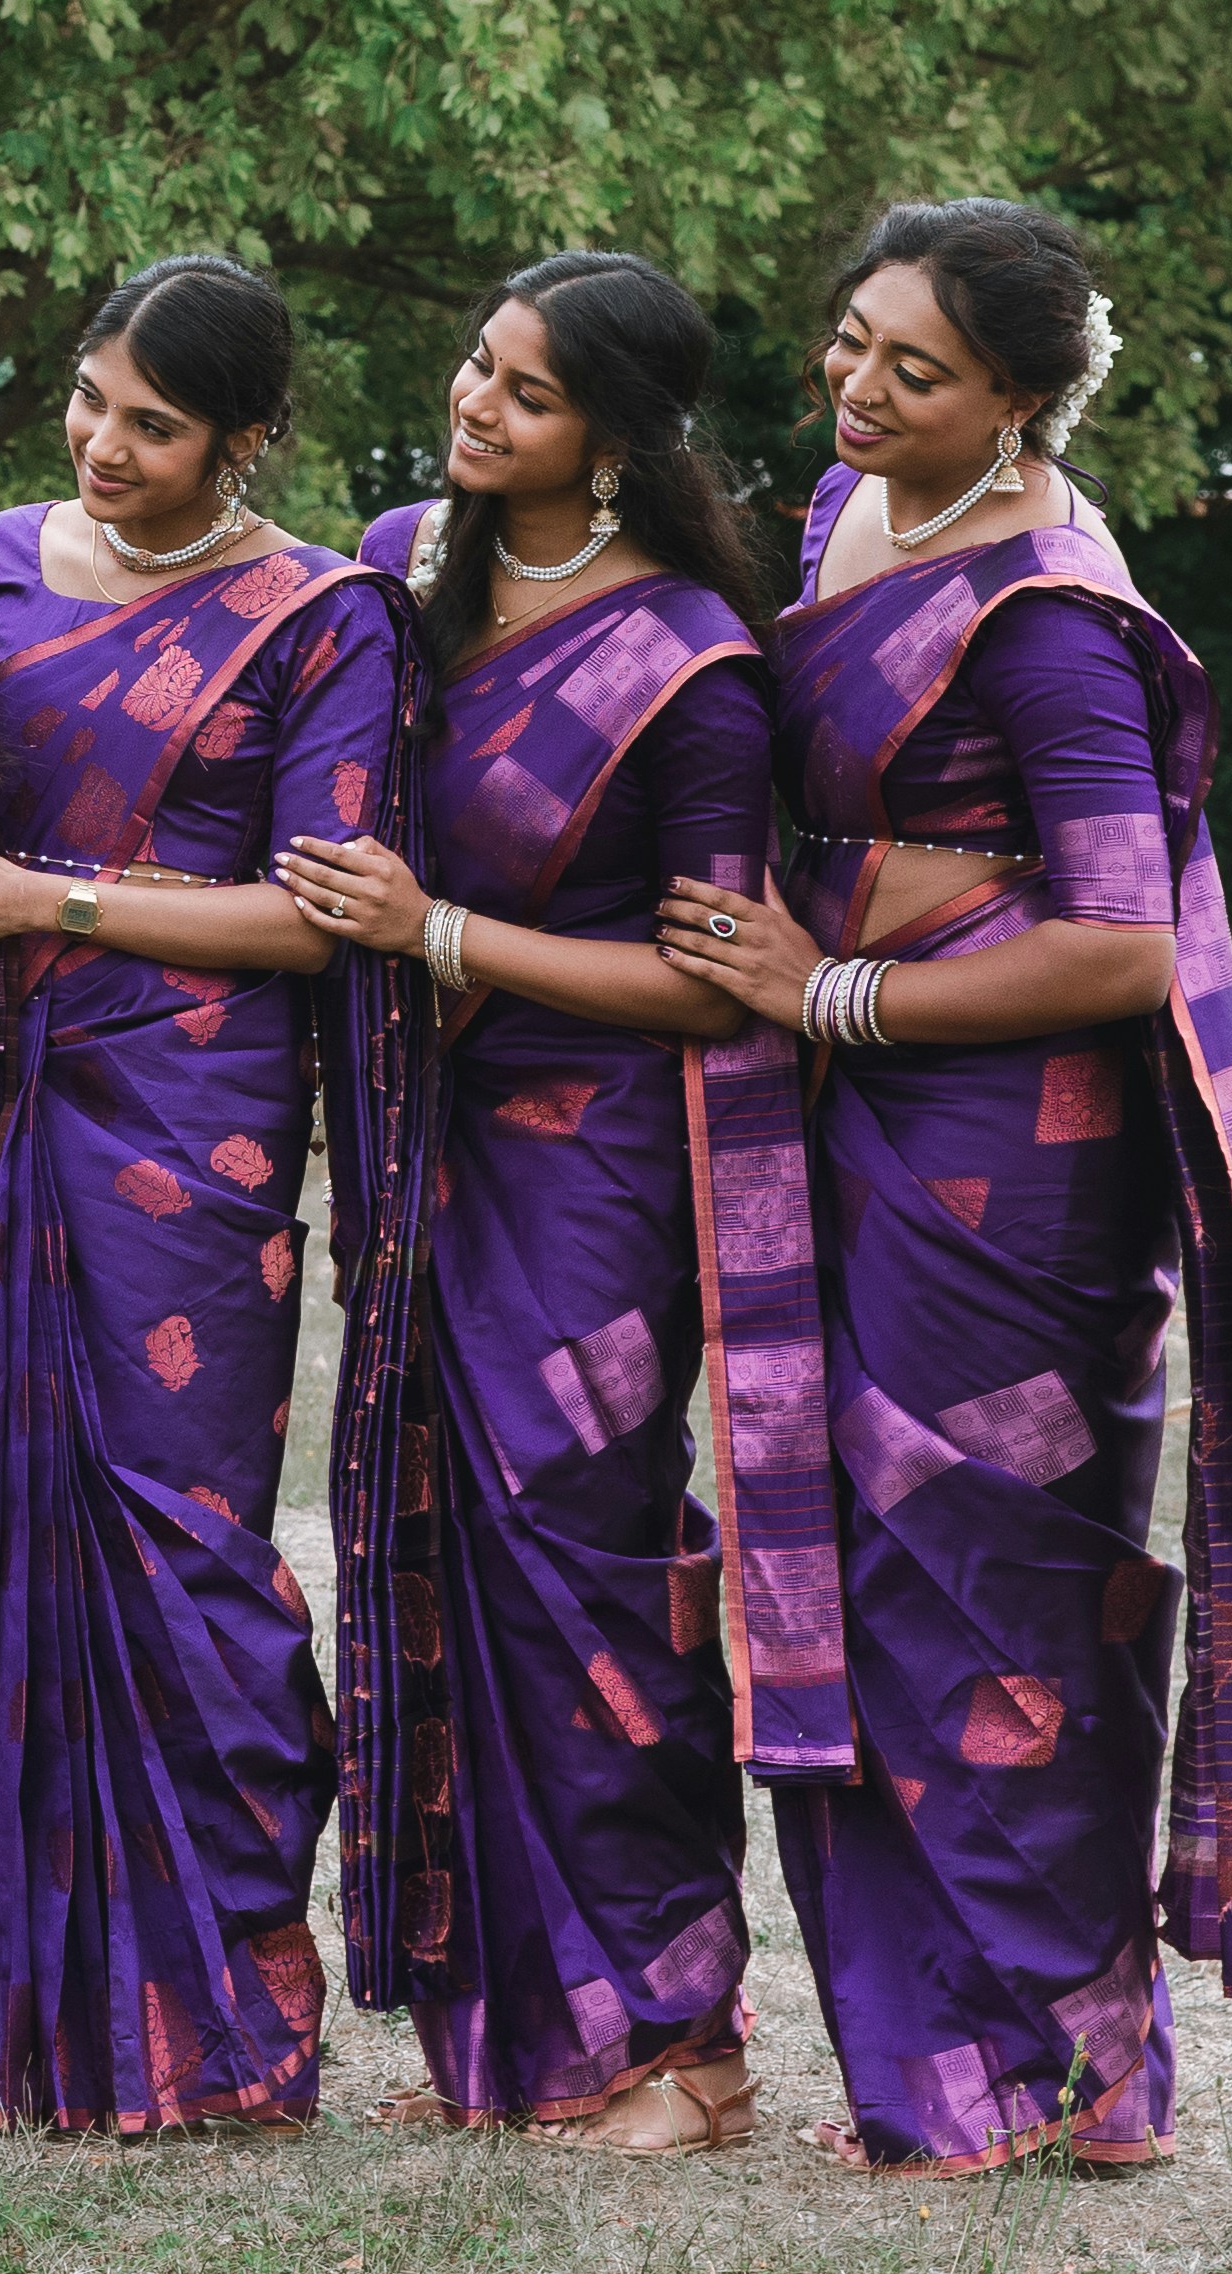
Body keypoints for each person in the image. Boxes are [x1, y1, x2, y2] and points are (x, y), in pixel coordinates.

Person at [673, 201, 1232, 2169]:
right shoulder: (844, 512)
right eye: (854, 342)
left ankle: (1069, 2068)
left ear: (1024, 399)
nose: (862, 387)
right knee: (863, 1588)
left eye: (919, 370)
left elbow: (1124, 942)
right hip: (860, 1136)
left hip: (1007, 1168)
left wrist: (835, 990)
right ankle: (935, 2070)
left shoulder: (1046, 614)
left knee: (1006, 1592)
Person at [0, 255, 389, 2129]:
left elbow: (315, 906)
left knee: (180, 1522)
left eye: (156, 421)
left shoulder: (321, 615)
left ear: (249, 441)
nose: (104, 443)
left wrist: (36, 902)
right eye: (90, 396)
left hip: (184, 1108)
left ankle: (213, 2013)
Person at [274, 252, 785, 2152]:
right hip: (421, 1136)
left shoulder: (696, 669)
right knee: (432, 1556)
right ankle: (515, 2034)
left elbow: (714, 971)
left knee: (585, 1566)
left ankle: (683, 2042)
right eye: (481, 366)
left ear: (623, 441)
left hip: (593, 1159)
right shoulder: (408, 565)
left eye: (531, 392)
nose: (481, 406)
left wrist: (448, 933)